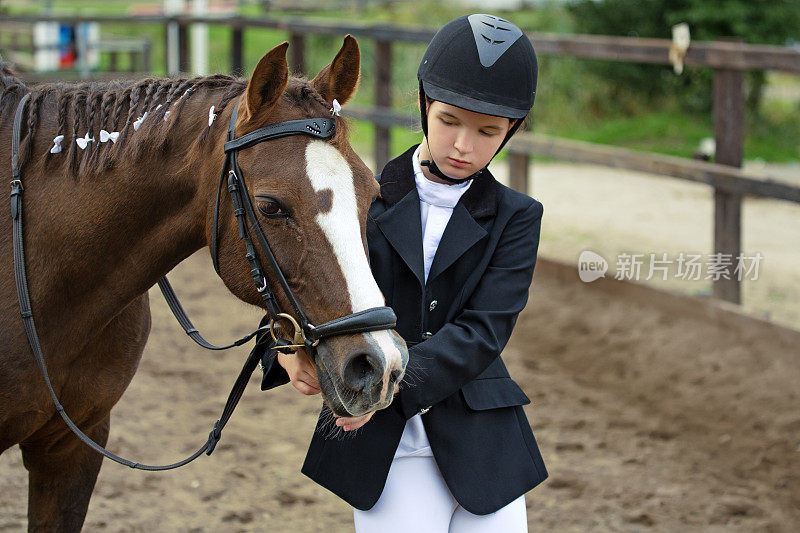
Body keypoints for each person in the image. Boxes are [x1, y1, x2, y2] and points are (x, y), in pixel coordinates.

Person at [258, 13, 547, 532]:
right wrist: (282, 344)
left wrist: (385, 392)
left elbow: (484, 332)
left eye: (487, 132)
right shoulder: (367, 195)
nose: (463, 146)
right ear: (423, 106)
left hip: (483, 442)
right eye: (450, 121)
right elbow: (311, 275)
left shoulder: (518, 217)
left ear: (512, 131)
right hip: (382, 447)